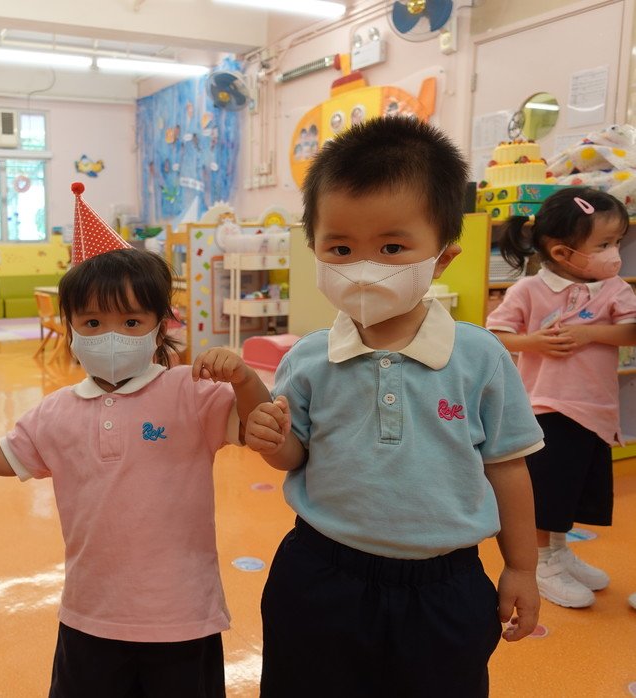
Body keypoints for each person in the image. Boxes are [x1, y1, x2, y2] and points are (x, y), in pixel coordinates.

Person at [0, 184, 271, 698]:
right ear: (70, 327)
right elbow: (4, 457)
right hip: (90, 615)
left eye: (131, 321)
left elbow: (255, 425)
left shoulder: (190, 392)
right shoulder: (56, 411)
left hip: (181, 616)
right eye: (92, 322)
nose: (112, 335)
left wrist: (243, 378)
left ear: (158, 327)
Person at [244, 117, 545, 697]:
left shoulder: (480, 356)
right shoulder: (308, 358)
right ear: (315, 251)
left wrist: (522, 567)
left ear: (442, 257)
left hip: (445, 585)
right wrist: (272, 439)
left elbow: (508, 467)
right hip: (319, 575)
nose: (363, 268)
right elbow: (294, 456)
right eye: (340, 248)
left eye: (391, 248)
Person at [486, 186, 636, 609]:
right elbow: (496, 335)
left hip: (596, 410)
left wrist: (589, 333)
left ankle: (557, 551)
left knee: (570, 492)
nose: (614, 253)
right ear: (562, 252)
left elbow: (631, 330)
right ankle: (540, 563)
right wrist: (534, 342)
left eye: (617, 242)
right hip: (545, 406)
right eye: (603, 244)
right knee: (546, 491)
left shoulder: (613, 288)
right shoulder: (529, 290)